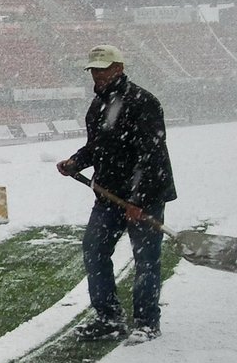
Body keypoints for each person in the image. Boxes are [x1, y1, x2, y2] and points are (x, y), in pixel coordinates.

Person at [57, 44, 176, 344]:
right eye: (94, 70)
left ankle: (147, 322)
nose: (97, 75)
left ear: (119, 68)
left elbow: (152, 155)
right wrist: (75, 162)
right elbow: (97, 147)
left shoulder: (143, 102)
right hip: (109, 196)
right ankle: (108, 318)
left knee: (146, 260)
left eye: (104, 69)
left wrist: (138, 200)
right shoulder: (97, 106)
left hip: (144, 197)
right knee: (94, 251)